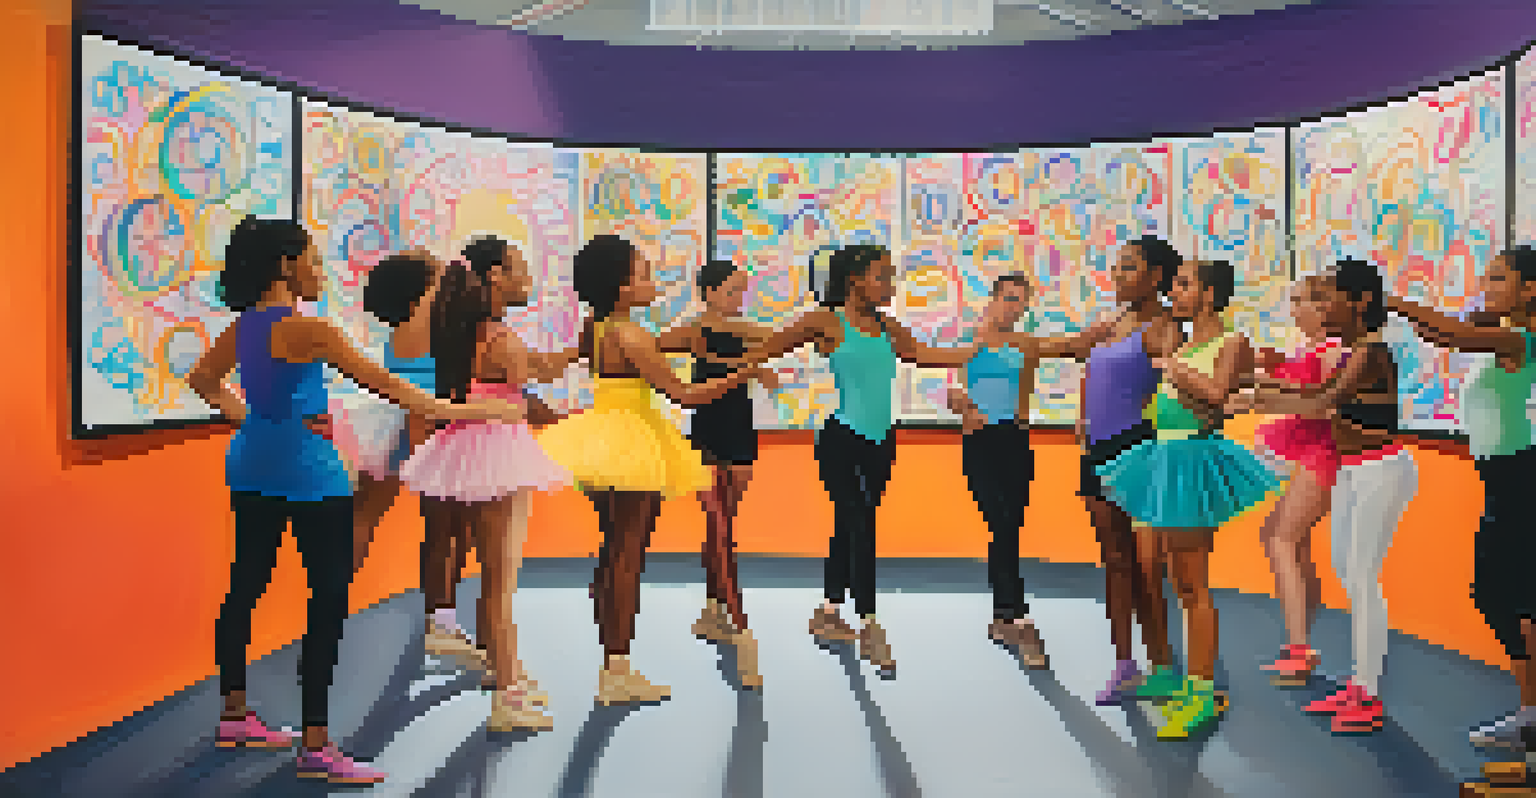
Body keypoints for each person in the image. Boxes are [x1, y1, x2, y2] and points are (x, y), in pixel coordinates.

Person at [187, 217, 525, 785]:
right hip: (307, 471)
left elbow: (204, 381)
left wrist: (266, 423)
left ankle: (234, 714)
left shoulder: (241, 328)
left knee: (244, 584)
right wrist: (484, 411)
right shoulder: (310, 331)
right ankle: (317, 747)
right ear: (283, 266)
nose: (320, 271)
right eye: (313, 261)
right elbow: (398, 390)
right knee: (326, 603)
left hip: (250, 461)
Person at [536, 235, 765, 704]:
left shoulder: (595, 328)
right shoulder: (631, 333)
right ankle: (617, 668)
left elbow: (575, 364)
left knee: (614, 547)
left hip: (601, 438)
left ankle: (612, 661)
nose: (651, 280)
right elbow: (687, 395)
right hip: (633, 442)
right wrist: (745, 370)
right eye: (642, 273)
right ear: (620, 287)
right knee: (628, 552)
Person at [746, 244, 979, 679]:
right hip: (839, 438)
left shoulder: (888, 327)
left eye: (891, 277)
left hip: (882, 440)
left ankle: (829, 610)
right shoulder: (825, 321)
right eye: (881, 276)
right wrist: (746, 365)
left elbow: (924, 355)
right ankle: (871, 623)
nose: (889, 285)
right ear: (854, 279)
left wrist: (976, 351)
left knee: (851, 521)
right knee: (859, 522)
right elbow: (770, 345)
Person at [1095, 258, 1279, 738]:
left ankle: (1200, 692)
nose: (1174, 293)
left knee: (1193, 585)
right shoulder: (1185, 341)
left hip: (1192, 462)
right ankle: (1182, 680)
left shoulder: (1230, 342)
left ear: (1210, 295)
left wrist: (1173, 369)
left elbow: (1218, 398)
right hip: (1162, 456)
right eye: (1175, 284)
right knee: (1166, 576)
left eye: (1183, 285)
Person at [398, 238, 575, 732]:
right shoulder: (501, 340)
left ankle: (506, 674)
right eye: (520, 269)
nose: (528, 279)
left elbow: (531, 374)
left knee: (490, 576)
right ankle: (508, 696)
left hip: (463, 448)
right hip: (495, 451)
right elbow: (529, 384)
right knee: (500, 580)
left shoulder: (460, 334)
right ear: (496, 276)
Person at [1234, 258, 1416, 734]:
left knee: (1361, 578)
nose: (1320, 303)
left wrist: (1252, 396)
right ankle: (1358, 683)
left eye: (1329, 295)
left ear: (1358, 302)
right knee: (1348, 571)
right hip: (1356, 471)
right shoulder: (1356, 349)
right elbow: (1317, 397)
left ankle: (1368, 693)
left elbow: (1320, 402)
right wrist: (1256, 392)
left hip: (1380, 470)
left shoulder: (1370, 352)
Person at [1385, 247, 1536, 749]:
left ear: (1529, 289)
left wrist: (1390, 300)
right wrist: (1479, 312)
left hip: (1521, 478)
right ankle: (1531, 712)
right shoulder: (1503, 336)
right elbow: (1442, 334)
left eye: (1498, 279)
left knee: (1504, 594)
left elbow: (1450, 333)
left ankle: (1532, 714)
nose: (1487, 286)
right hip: (1506, 478)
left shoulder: (1519, 339)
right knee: (1505, 595)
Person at [1056, 236, 1185, 707]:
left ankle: (1164, 666)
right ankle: (1125, 665)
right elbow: (1087, 364)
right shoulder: (1112, 324)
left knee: (1149, 567)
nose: (1118, 276)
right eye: (1117, 268)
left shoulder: (1164, 327)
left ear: (1156, 277)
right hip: (1097, 451)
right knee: (1115, 562)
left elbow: (1178, 382)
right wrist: (1082, 413)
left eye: (1129, 268)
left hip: (1140, 452)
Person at [656, 260, 780, 689]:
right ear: (708, 292)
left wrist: (759, 364)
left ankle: (712, 610)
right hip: (706, 433)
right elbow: (649, 350)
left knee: (724, 527)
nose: (738, 299)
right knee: (721, 528)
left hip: (741, 432)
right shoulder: (691, 330)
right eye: (730, 291)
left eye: (741, 292)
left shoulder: (747, 331)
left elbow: (778, 342)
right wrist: (705, 354)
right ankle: (742, 629)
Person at [1244, 274, 1347, 687]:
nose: (1295, 310)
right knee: (1288, 541)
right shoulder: (1315, 350)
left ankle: (1300, 648)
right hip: (1307, 451)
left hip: (1320, 454)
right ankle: (1299, 643)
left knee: (1281, 540)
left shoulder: (1332, 351)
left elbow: (1321, 405)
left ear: (1323, 306)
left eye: (1302, 301)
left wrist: (1263, 388)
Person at [947, 273, 1049, 666]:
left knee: (1008, 529)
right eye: (1009, 299)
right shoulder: (970, 341)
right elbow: (953, 390)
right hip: (981, 442)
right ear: (992, 297)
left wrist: (1021, 426)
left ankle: (1003, 617)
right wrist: (967, 409)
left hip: (1014, 443)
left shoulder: (1023, 346)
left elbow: (1023, 397)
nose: (1015, 308)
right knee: (1002, 524)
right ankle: (1019, 618)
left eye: (1021, 303)